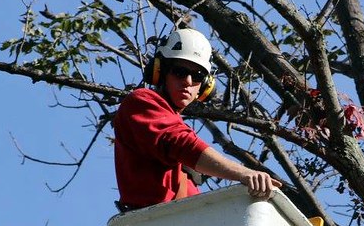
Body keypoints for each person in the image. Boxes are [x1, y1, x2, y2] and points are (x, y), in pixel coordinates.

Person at [113, 27, 282, 210]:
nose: (187, 81)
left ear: (205, 86)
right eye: (179, 71)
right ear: (160, 71)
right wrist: (244, 173)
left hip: (180, 225)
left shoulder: (174, 122)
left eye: (197, 76)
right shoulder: (142, 101)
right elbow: (182, 143)